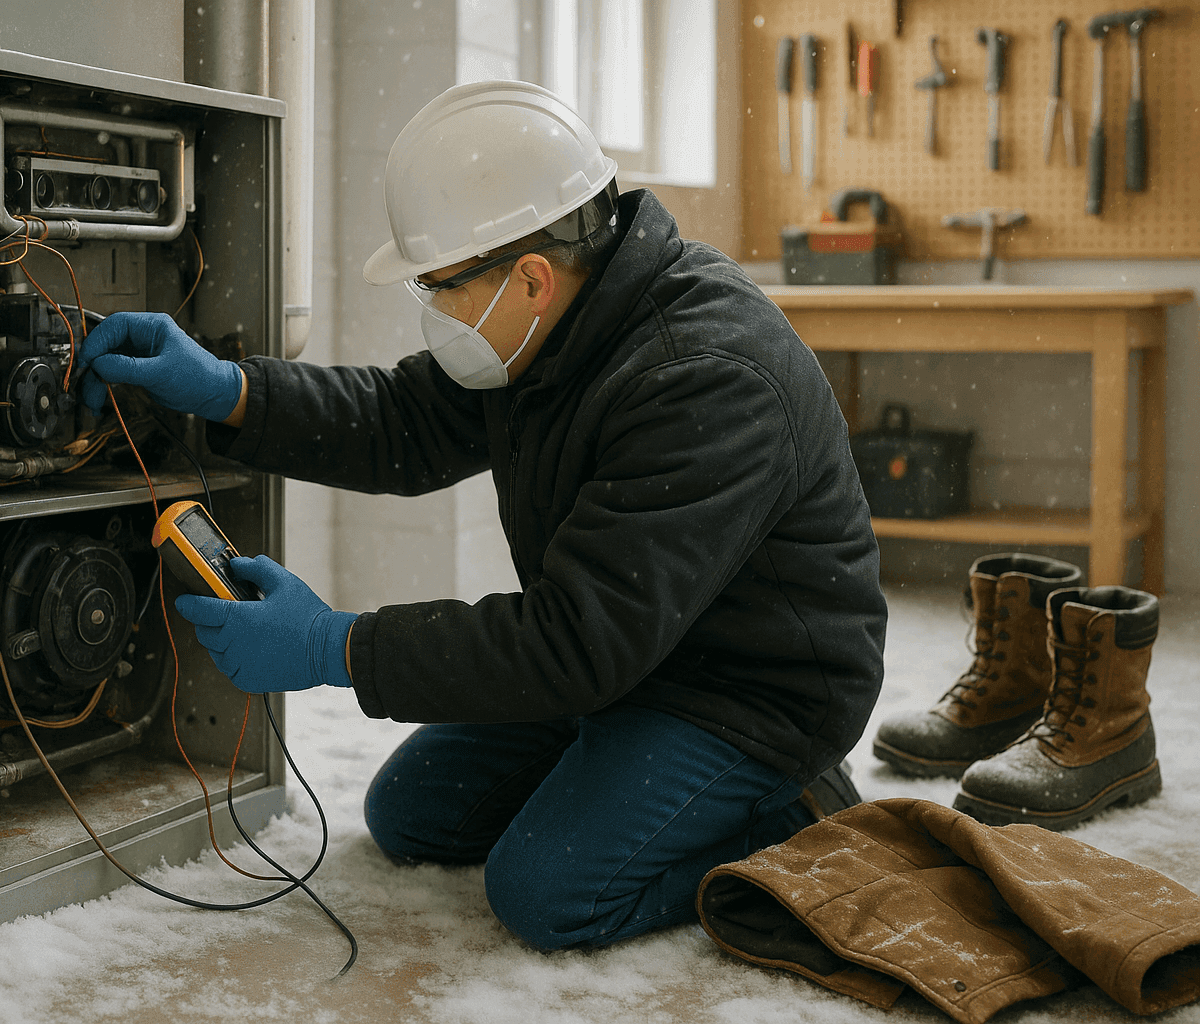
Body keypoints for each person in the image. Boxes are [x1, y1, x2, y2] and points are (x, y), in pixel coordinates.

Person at [80, 80, 887, 951]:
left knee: (547, 892)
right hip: (633, 653)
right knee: (413, 816)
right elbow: (403, 423)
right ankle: (627, 761)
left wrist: (334, 645)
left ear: (531, 277)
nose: (430, 307)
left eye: (439, 285)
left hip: (749, 693)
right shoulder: (555, 326)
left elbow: (575, 641)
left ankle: (795, 814)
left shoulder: (706, 379)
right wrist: (228, 392)